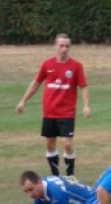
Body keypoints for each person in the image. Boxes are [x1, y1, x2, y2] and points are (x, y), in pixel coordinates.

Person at [16, 34, 91, 177]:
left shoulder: (76, 66)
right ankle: (55, 177)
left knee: (67, 143)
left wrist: (86, 105)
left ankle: (70, 177)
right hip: (49, 112)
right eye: (61, 46)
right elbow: (36, 83)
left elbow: (83, 86)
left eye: (67, 46)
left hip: (66, 112)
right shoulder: (47, 65)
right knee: (50, 144)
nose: (64, 49)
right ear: (55, 46)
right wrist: (23, 101)